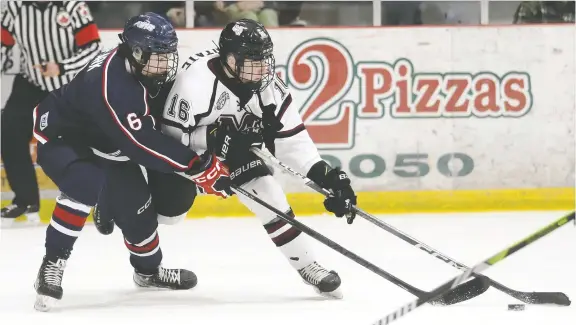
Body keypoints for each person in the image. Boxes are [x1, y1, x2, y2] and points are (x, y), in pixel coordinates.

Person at [31, 12, 233, 312]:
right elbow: (142, 144)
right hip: (63, 139)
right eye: (158, 56)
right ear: (136, 53)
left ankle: (148, 272)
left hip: (107, 144)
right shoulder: (115, 86)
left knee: (139, 213)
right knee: (85, 182)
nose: (165, 64)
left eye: (168, 55)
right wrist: (196, 166)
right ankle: (52, 263)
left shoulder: (137, 69)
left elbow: (136, 138)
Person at [159, 18, 358, 299]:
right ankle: (120, 209)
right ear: (228, 58)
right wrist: (210, 139)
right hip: (190, 159)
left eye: (264, 60)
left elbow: (293, 142)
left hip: (234, 155)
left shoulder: (269, 88)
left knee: (268, 192)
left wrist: (327, 177)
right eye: (252, 62)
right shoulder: (193, 84)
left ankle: (308, 265)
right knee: (169, 215)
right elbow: (167, 141)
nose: (262, 69)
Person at [0, 1, 102, 226]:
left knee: (86, 141)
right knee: (10, 133)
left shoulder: (73, 6)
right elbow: (3, 41)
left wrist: (62, 66)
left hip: (68, 84)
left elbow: (93, 49)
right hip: (31, 82)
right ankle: (26, 201)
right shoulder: (14, 7)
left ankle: (99, 199)